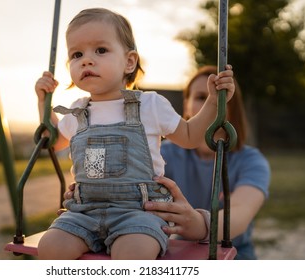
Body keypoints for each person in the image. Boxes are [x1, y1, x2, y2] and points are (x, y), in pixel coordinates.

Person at [35, 8, 235, 260]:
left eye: (100, 50)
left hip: (139, 212)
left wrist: (214, 104)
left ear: (129, 61)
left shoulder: (150, 105)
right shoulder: (76, 110)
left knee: (133, 254)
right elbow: (53, 142)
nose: (86, 60)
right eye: (77, 54)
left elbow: (189, 136)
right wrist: (44, 104)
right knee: (50, 248)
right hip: (82, 212)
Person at [144, 65, 270, 259]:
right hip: (182, 252)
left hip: (236, 255)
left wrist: (201, 225)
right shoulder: (163, 153)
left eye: (219, 96)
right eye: (201, 97)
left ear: (231, 106)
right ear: (186, 105)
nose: (211, 103)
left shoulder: (251, 161)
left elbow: (240, 212)